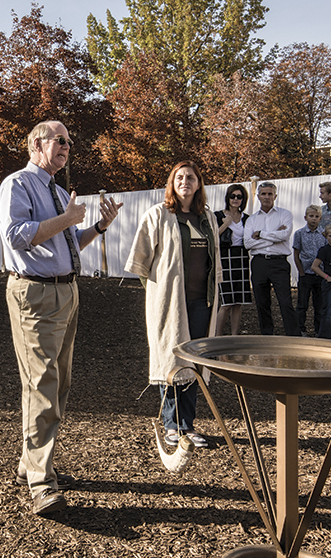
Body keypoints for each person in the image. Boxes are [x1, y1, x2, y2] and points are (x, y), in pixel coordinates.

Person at [0, 120, 122, 516]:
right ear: (37, 143)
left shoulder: (55, 190)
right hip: (35, 294)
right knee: (42, 383)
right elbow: (17, 236)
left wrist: (98, 226)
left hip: (67, 291)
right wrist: (68, 219)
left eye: (70, 141)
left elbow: (67, 246)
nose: (67, 146)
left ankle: (31, 464)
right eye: (60, 140)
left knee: (58, 382)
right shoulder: (17, 184)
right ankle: (41, 482)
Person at [127, 160, 221, 450]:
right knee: (170, 360)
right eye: (179, 177)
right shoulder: (158, 215)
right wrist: (159, 294)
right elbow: (141, 263)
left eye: (191, 177)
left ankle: (187, 425)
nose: (185, 182)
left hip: (201, 302)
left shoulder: (207, 217)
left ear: (199, 184)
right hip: (170, 303)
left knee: (194, 361)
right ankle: (171, 424)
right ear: (172, 182)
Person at [245, 182, 298, 335]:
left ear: (275, 196)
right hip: (259, 263)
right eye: (263, 194)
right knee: (262, 302)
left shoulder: (285, 214)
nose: (267, 197)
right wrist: (274, 236)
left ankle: (293, 335)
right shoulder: (252, 220)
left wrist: (260, 234)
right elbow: (248, 244)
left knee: (285, 301)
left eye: (270, 194)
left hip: (279, 262)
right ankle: (267, 334)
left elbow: (285, 235)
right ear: (258, 196)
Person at [214, 184, 252, 336]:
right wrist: (225, 224)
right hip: (225, 258)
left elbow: (249, 239)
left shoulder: (247, 219)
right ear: (228, 198)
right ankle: (216, 336)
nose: (236, 199)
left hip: (242, 258)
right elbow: (212, 237)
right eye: (233, 196)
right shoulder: (218, 216)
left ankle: (234, 336)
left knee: (238, 302)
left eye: (239, 197)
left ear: (243, 200)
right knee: (227, 302)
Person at [292, 205, 328, 336]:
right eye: (311, 216)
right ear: (305, 217)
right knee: (302, 304)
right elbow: (296, 253)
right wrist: (301, 271)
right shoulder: (299, 233)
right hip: (306, 274)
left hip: (320, 274)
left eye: (316, 216)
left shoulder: (324, 234)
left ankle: (319, 330)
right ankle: (300, 329)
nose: (313, 219)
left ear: (320, 218)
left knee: (319, 305)